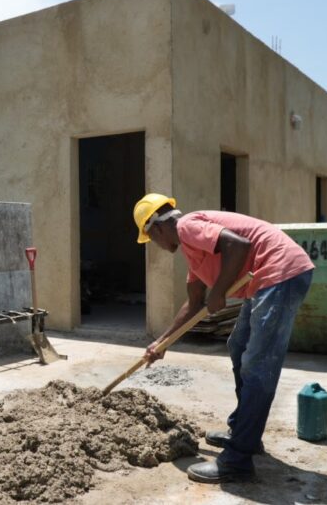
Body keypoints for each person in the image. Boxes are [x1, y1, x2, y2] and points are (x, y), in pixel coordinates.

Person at [133, 193, 314, 483]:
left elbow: (238, 245)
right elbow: (194, 304)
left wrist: (218, 291)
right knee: (239, 346)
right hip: (264, 282)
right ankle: (244, 433)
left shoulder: (187, 226)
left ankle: (238, 461)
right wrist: (162, 343)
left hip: (279, 274)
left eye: (150, 238)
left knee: (257, 365)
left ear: (156, 227)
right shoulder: (193, 251)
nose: (155, 244)